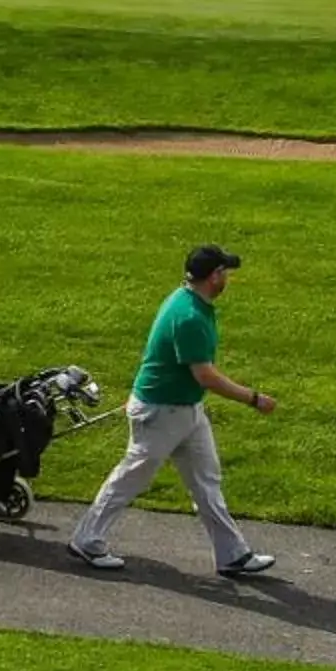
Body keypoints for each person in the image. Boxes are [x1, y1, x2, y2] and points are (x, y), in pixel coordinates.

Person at [69, 243, 279, 577]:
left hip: (184, 410)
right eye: (225, 272)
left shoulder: (191, 302)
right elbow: (205, 376)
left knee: (206, 482)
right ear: (214, 277)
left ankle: (233, 555)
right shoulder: (190, 316)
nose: (227, 278)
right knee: (131, 478)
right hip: (161, 413)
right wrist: (254, 399)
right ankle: (87, 539)